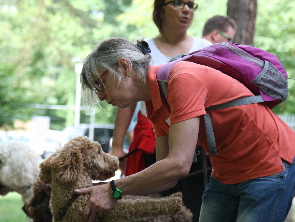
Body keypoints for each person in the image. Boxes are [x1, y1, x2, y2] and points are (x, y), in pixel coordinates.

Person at [76, 37, 295, 222]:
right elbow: (166, 177)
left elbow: (179, 165)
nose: (101, 96)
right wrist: (107, 192)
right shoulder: (153, 103)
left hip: (269, 166)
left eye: (100, 84)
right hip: (225, 175)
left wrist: (113, 189)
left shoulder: (181, 78)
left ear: (124, 66)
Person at [109, 1, 211, 220]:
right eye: (177, 3)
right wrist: (117, 146)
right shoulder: (142, 49)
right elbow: (127, 101)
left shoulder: (205, 47)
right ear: (160, 10)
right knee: (156, 208)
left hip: (199, 147)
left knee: (195, 209)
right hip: (155, 143)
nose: (186, 10)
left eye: (191, 5)